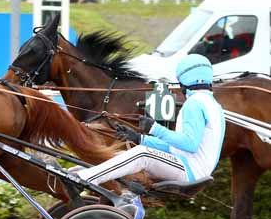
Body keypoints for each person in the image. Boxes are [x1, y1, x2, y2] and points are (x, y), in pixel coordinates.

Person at [76, 54, 225, 189]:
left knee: (142, 154)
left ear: (183, 83)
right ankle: (84, 173)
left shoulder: (195, 103)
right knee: (133, 153)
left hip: (190, 170)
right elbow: (177, 148)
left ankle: (85, 178)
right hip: (192, 168)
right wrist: (139, 138)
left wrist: (155, 129)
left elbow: (189, 144)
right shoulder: (213, 105)